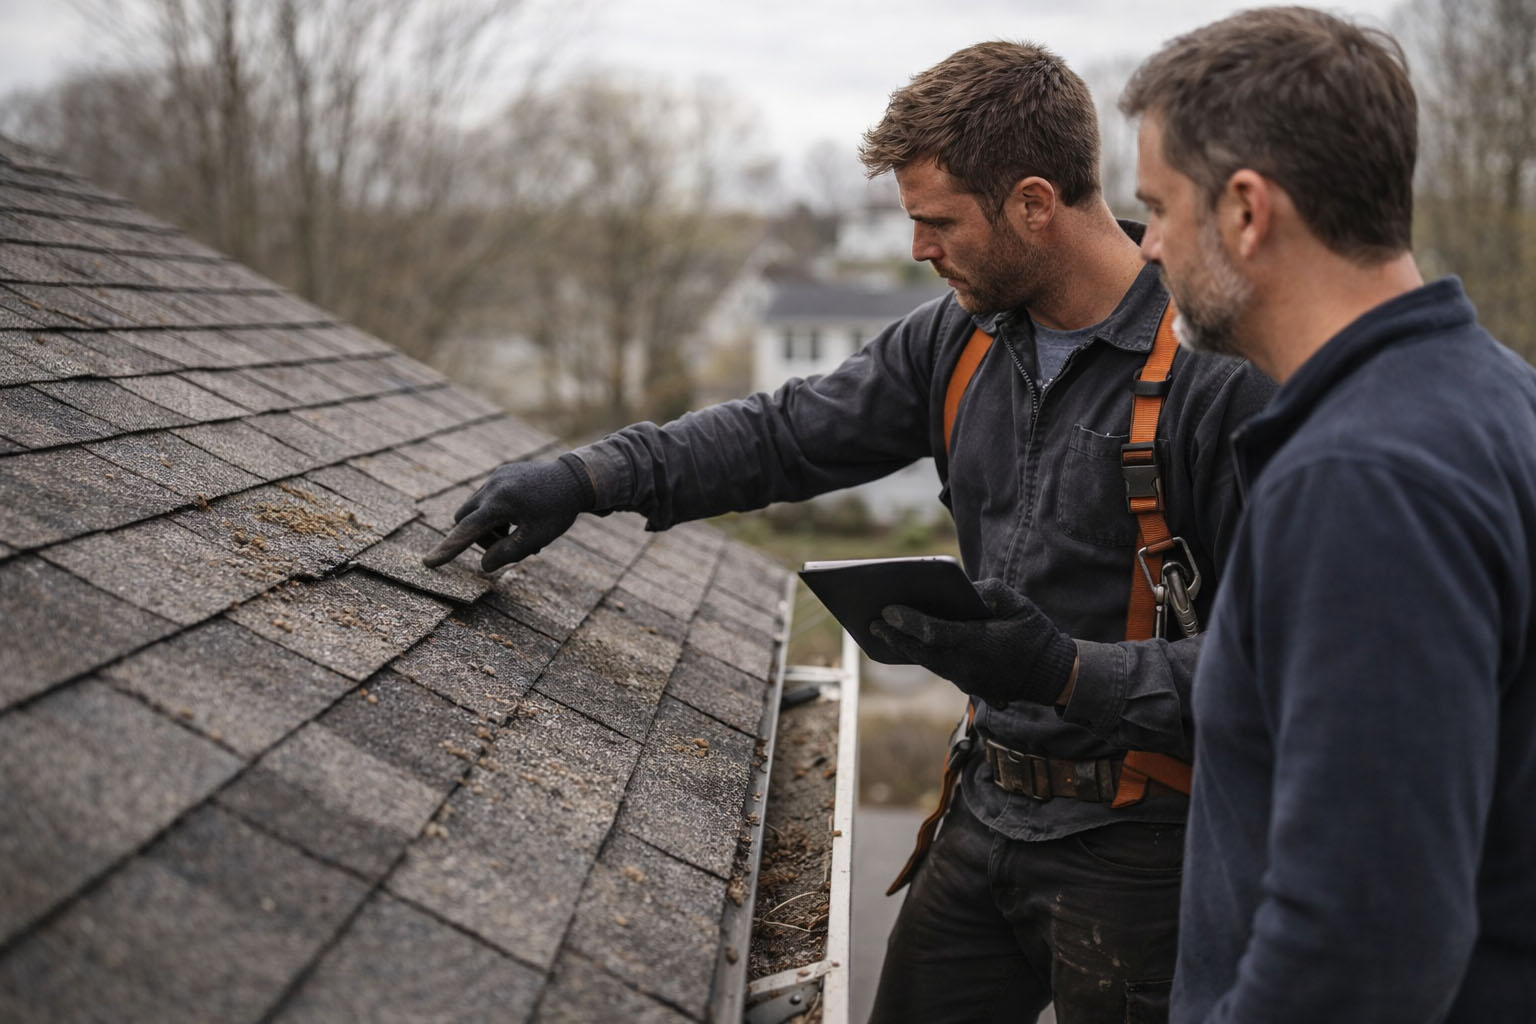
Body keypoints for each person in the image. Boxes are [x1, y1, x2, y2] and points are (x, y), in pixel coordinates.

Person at [426, 41, 1272, 1022]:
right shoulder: (955, 343)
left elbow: (1277, 673)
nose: (918, 249)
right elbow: (782, 435)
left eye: (936, 221)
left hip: (1147, 849)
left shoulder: (1218, 381)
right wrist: (591, 474)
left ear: (1035, 204)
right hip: (984, 803)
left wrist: (1067, 673)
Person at [1121, 7, 1536, 1021]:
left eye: (1161, 207)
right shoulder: (1498, 396)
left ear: (1249, 211)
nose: (1150, 248)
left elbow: (1362, 949)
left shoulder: (1362, 481)